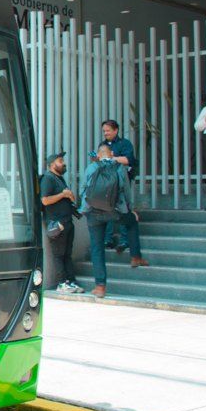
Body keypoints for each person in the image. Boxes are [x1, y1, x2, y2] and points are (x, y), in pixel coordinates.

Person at [78, 144, 147, 299]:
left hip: (94, 213)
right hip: (115, 212)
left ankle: (100, 287)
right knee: (132, 222)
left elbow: (83, 189)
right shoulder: (119, 167)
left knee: (97, 248)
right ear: (112, 154)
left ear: (98, 155)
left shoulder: (91, 167)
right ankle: (135, 257)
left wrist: (84, 209)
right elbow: (126, 190)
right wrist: (130, 209)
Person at [40, 151, 82, 294]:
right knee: (58, 255)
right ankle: (62, 283)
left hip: (67, 222)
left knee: (67, 254)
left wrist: (69, 196)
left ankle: (71, 281)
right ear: (52, 164)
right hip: (57, 224)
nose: (63, 163)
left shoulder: (60, 179)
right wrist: (63, 194)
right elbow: (45, 200)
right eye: (60, 161)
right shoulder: (48, 178)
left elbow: (69, 199)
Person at [95, 119, 137, 253]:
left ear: (116, 130)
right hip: (107, 182)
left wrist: (111, 158)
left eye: (108, 130)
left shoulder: (124, 143)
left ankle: (125, 240)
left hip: (122, 181)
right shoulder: (102, 145)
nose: (105, 133)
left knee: (123, 208)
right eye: (104, 131)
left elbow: (128, 160)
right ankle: (108, 239)